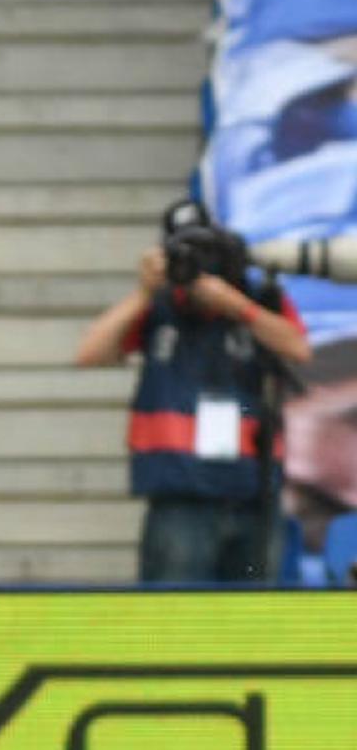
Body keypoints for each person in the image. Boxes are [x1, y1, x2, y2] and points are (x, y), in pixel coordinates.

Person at [75, 200, 310, 582]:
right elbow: (89, 353)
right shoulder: (158, 305)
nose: (197, 264)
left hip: (251, 490)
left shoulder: (254, 296)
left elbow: (298, 349)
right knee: (174, 613)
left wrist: (236, 305)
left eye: (204, 251)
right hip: (180, 494)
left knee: (254, 614)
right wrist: (144, 292)